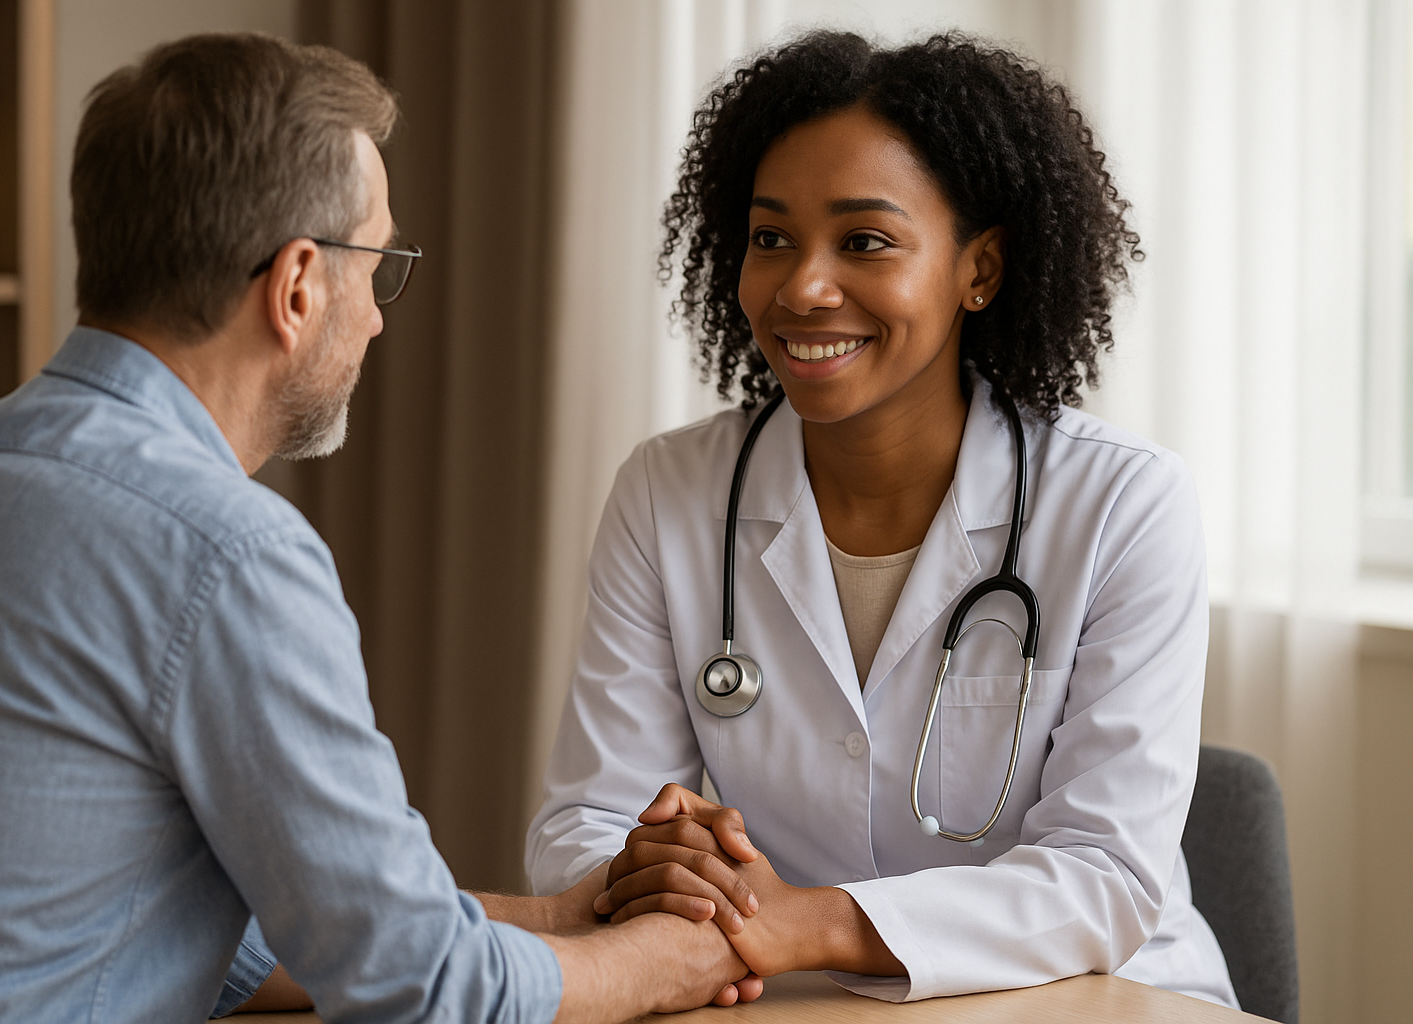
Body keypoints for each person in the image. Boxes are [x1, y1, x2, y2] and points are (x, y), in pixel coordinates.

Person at [0, 33, 759, 1024]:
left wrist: (562, 914)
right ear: (298, 285)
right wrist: (667, 960)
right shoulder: (226, 551)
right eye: (376, 266)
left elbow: (146, 925)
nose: (379, 318)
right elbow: (428, 991)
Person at [526, 31, 1239, 1008]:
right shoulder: (671, 490)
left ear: (978, 270)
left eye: (864, 241)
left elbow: (1102, 876)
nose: (803, 287)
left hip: (1088, 998)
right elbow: (587, 820)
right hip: (791, 999)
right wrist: (656, 864)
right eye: (771, 238)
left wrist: (806, 919)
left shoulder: (1122, 503)